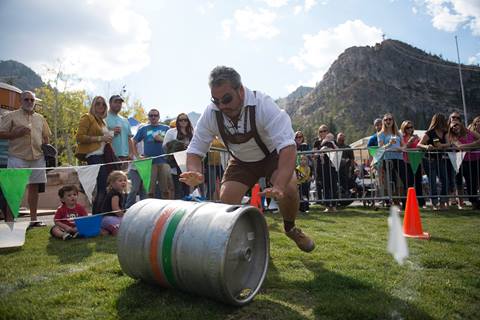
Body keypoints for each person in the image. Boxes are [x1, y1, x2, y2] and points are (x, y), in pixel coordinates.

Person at [180, 66, 314, 252]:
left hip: (272, 156)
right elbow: (195, 149)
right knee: (226, 203)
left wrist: (280, 185)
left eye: (227, 99)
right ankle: (247, 244)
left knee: (289, 188)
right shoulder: (211, 113)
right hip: (241, 161)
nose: (222, 106)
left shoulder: (263, 105)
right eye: (216, 100)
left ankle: (290, 229)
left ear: (240, 90)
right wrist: (194, 170)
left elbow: (287, 147)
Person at [0, 91, 51, 227]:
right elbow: (1, 133)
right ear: (20, 101)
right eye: (26, 99)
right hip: (18, 156)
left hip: (38, 157)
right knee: (13, 189)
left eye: (32, 100)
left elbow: (46, 136)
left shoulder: (40, 118)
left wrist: (47, 146)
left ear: (34, 102)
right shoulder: (10, 116)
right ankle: (10, 221)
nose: (29, 102)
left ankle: (33, 220)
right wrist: (14, 134)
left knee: (34, 188)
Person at [75, 96, 113, 214]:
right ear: (93, 105)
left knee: (104, 186)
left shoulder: (102, 121)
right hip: (93, 156)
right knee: (101, 187)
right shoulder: (87, 117)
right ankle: (97, 216)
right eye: (98, 103)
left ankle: (101, 214)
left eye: (103, 104)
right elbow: (79, 137)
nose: (101, 106)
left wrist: (108, 139)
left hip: (103, 156)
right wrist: (101, 138)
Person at [133, 108, 173, 199]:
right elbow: (133, 141)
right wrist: (137, 156)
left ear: (159, 117)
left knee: (166, 189)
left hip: (164, 161)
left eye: (155, 115)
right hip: (149, 162)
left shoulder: (166, 128)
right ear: (148, 117)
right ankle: (150, 210)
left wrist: (162, 139)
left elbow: (172, 143)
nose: (153, 117)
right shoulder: (144, 129)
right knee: (149, 190)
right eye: (151, 115)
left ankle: (166, 209)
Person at [417, 113, 452, 210]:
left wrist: (441, 145)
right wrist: (426, 146)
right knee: (432, 181)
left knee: (445, 180)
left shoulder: (445, 132)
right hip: (429, 159)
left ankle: (442, 201)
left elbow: (448, 143)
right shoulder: (430, 133)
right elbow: (419, 145)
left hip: (439, 159)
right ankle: (435, 203)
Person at [377, 113, 410, 206]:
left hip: (399, 159)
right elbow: (380, 148)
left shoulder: (398, 133)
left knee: (404, 180)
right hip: (388, 160)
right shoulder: (381, 134)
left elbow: (403, 145)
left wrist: (401, 148)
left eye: (390, 119)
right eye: (386, 120)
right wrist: (389, 144)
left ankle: (405, 202)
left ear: (393, 120)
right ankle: (396, 203)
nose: (388, 121)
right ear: (383, 121)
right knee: (393, 182)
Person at [447, 121, 480, 210]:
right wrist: (475, 144)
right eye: (452, 127)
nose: (454, 127)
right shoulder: (453, 137)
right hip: (463, 161)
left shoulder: (470, 131)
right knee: (466, 182)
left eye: (456, 125)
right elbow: (460, 147)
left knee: (473, 182)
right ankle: (473, 202)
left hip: (475, 160)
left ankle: (475, 202)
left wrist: (468, 146)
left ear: (461, 125)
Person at [163, 113, 194, 199]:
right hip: (176, 162)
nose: (183, 122)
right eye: (181, 120)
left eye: (185, 120)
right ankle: (179, 204)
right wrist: (177, 146)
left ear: (188, 121)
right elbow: (165, 146)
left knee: (188, 184)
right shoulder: (171, 132)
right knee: (177, 185)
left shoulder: (191, 132)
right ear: (177, 121)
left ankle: (187, 201)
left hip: (189, 161)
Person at [400, 120, 425, 207]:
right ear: (403, 128)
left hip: (417, 162)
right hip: (406, 162)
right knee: (408, 183)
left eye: (411, 127)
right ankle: (406, 203)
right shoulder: (402, 137)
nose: (410, 129)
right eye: (407, 127)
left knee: (418, 183)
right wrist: (410, 142)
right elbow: (403, 148)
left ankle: (421, 203)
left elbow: (420, 149)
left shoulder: (416, 137)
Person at [106, 95, 134, 164]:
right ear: (109, 103)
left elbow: (129, 139)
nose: (118, 104)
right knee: (111, 175)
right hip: (110, 157)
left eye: (120, 103)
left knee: (124, 175)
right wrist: (111, 132)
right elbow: (99, 135)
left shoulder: (125, 120)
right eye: (115, 102)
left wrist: (131, 154)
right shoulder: (104, 117)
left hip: (125, 158)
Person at [315, 133, 339, 212]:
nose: (328, 138)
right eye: (328, 137)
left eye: (330, 137)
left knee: (334, 187)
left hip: (332, 167)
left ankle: (334, 205)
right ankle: (327, 206)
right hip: (324, 167)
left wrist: (332, 148)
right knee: (325, 187)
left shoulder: (333, 143)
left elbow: (337, 151)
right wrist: (324, 148)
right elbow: (318, 152)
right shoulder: (322, 143)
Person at [101, 170, 127, 235]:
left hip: (109, 219)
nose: (123, 182)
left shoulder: (117, 193)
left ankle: (106, 230)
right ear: (113, 183)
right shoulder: (115, 194)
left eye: (124, 180)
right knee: (125, 225)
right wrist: (125, 216)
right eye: (120, 181)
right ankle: (113, 229)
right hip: (109, 218)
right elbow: (116, 209)